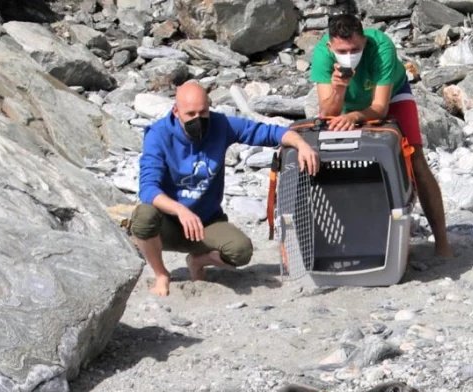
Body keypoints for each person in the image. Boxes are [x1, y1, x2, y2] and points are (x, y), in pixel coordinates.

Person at [132, 81, 319, 296]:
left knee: (241, 252)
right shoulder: (158, 134)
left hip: (206, 223)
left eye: (203, 112)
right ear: (176, 111)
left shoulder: (220, 125)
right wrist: (180, 210)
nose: (197, 119)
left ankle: (198, 260)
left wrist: (302, 144)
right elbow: (148, 188)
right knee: (143, 216)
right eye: (190, 114)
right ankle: (161, 274)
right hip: (169, 223)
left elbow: (269, 132)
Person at [310, 13, 453, 257]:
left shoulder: (381, 47)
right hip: (347, 98)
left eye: (355, 49)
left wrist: (355, 117)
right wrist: (340, 87)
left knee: (415, 159)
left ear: (364, 41)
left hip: (392, 95)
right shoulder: (321, 56)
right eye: (342, 51)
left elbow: (379, 108)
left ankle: (442, 242)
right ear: (330, 46)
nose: (349, 56)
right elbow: (328, 111)